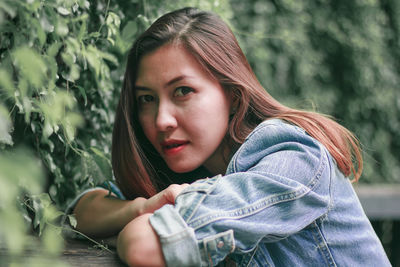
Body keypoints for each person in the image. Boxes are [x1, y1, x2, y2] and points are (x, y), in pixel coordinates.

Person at [72, 7, 391, 267]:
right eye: (146, 99)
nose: (161, 120)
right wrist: (141, 207)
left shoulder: (292, 160)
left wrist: (146, 220)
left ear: (234, 96)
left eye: (182, 91)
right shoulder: (191, 171)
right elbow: (80, 213)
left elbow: (143, 246)